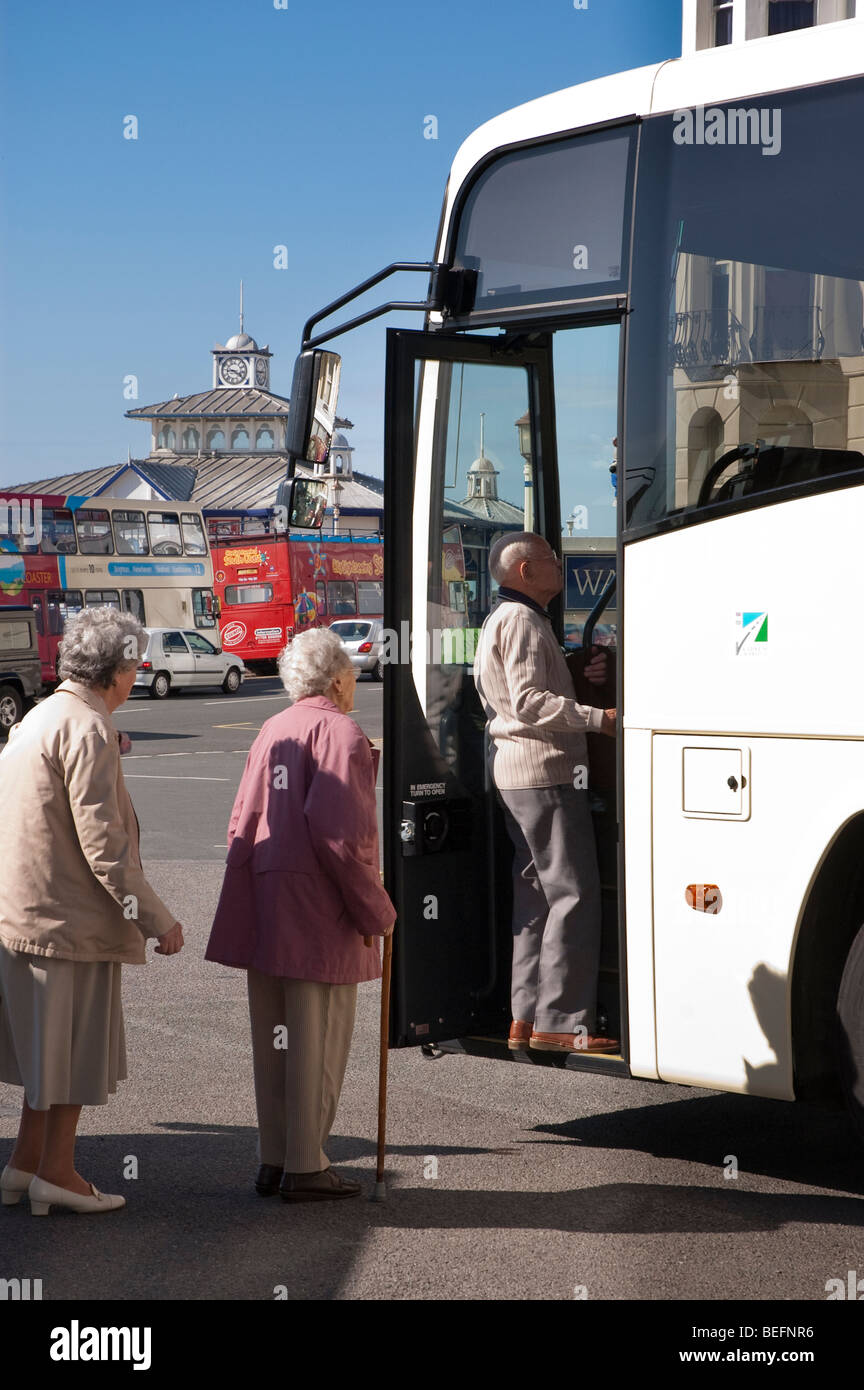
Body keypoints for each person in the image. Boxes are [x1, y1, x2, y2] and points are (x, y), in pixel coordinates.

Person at [0, 607, 184, 1216]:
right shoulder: (90, 728)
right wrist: (156, 919)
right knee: (75, 1053)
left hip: (26, 914)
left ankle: (26, 1164)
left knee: (43, 1053)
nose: (137, 677)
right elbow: (105, 848)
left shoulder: (39, 716)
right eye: (135, 666)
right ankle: (58, 1174)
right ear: (117, 669)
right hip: (71, 921)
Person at [205, 626, 395, 1203]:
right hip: (317, 912)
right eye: (353, 678)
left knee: (277, 1041)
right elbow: (342, 837)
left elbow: (242, 819)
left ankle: (277, 1157)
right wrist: (377, 910)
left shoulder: (273, 726)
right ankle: (306, 1165)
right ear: (338, 679)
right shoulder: (339, 730)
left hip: (267, 904)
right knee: (318, 1040)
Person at [473, 532, 618, 1055]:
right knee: (573, 896)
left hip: (516, 775)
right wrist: (599, 718)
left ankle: (524, 1016)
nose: (559, 566)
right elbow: (530, 701)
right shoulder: (524, 621)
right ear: (524, 572)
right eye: (550, 561)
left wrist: (583, 670)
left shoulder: (503, 619)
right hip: (546, 772)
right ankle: (561, 1022)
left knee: (535, 900)